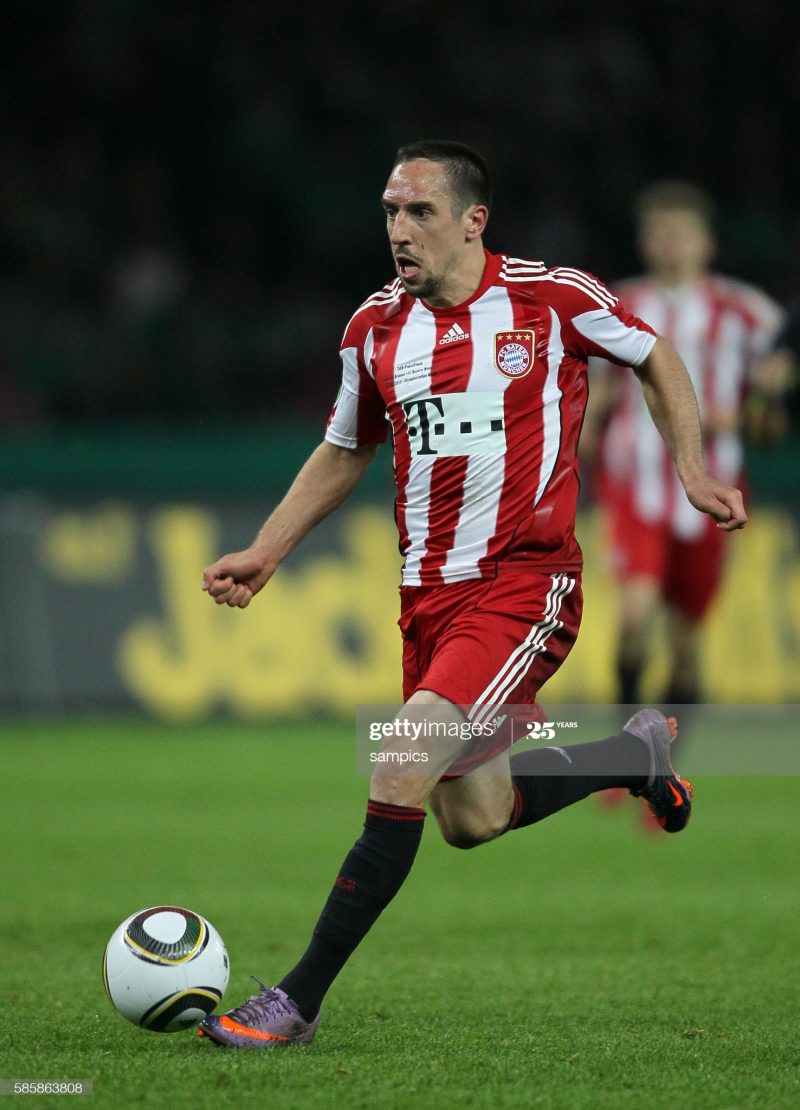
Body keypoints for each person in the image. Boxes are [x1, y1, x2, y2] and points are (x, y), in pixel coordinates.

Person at [198, 142, 746, 1049]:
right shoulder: (374, 327)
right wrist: (267, 549)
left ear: (472, 222)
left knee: (400, 757)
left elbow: (656, 356)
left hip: (525, 585)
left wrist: (690, 467)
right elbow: (346, 447)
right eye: (390, 211)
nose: (399, 230)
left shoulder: (552, 298)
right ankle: (633, 754)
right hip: (427, 600)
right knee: (472, 817)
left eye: (419, 212)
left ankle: (295, 1000)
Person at [582, 181, 783, 708]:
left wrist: (745, 416)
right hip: (635, 485)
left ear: (706, 242)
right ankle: (627, 740)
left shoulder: (747, 312)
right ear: (644, 241)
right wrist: (584, 430)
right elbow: (594, 395)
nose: (671, 245)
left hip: (716, 491)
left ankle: (664, 752)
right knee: (634, 617)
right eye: (660, 233)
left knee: (687, 646)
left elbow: (772, 411)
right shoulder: (616, 306)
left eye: (682, 234)